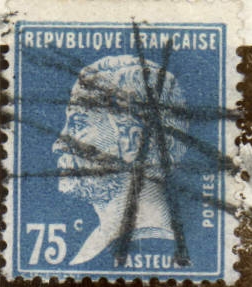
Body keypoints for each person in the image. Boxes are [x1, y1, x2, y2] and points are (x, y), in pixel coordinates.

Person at [53, 54, 186, 267]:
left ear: (132, 143)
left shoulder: (151, 241)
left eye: (78, 125)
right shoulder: (101, 240)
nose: (58, 144)